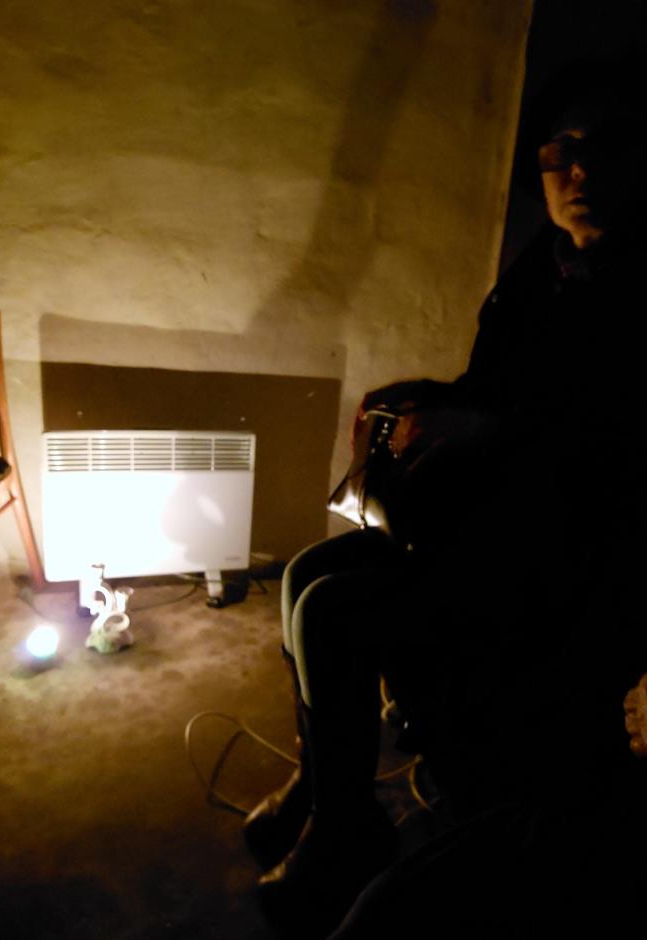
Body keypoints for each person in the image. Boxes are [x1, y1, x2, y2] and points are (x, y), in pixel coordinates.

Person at [244, 53, 647, 937]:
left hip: (566, 561)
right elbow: (490, 387)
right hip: (491, 519)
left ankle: (349, 832)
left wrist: (485, 431)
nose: (576, 172)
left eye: (603, 148)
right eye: (558, 151)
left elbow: (612, 451)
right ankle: (326, 785)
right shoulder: (537, 272)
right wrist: (420, 399)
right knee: (303, 574)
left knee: (339, 613)